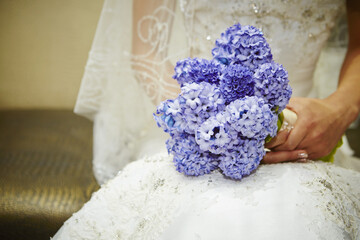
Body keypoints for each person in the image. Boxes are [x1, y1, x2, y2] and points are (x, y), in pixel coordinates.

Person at [53, 0, 360, 239]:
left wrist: (339, 110)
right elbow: (146, 53)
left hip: (308, 132)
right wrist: (217, 127)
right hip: (199, 131)